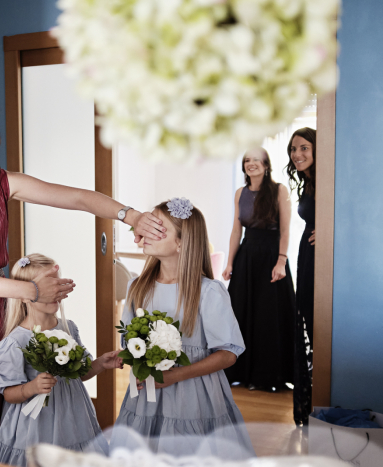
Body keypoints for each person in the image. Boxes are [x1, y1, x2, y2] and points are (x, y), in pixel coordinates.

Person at [0, 85, 163, 456]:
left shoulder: (0, 181)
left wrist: (131, 215)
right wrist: (33, 293)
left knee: (10, 409)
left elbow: (76, 197)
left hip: (1, 308)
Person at [114, 198, 254, 455]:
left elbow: (228, 353)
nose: (144, 232)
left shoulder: (209, 292)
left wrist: (174, 375)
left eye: (157, 227)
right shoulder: (137, 287)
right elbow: (128, 341)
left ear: (180, 242)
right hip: (146, 396)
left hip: (195, 397)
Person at [0, 254, 122, 466]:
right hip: (37, 425)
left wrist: (101, 363)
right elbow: (9, 393)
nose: (56, 293)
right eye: (49, 288)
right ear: (25, 295)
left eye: (58, 285)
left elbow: (79, 373)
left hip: (74, 419)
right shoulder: (15, 343)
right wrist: (32, 387)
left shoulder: (68, 328)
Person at [222, 148, 295, 391]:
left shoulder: (279, 190)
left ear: (266, 165)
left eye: (256, 160)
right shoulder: (240, 193)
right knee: (241, 313)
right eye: (246, 160)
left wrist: (281, 261)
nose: (251, 164)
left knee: (267, 317)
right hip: (247, 256)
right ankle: (241, 373)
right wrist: (230, 262)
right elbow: (236, 231)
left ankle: (267, 376)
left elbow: (285, 231)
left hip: (272, 257)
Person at [286, 127, 317, 426]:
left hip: (320, 259)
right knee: (307, 319)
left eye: (304, 148)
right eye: (294, 149)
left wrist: (333, 228)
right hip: (306, 256)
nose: (297, 154)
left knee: (317, 326)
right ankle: (311, 404)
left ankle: (320, 403)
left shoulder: (326, 179)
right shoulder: (307, 183)